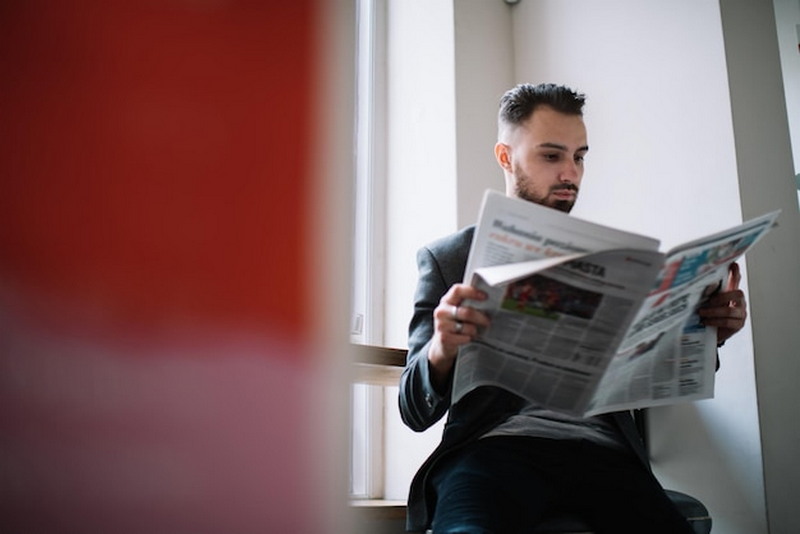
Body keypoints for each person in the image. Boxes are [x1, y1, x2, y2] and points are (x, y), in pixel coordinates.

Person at [398, 83, 748, 534]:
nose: (571, 173)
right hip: (493, 451)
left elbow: (650, 376)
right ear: (506, 158)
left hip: (606, 455)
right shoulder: (449, 259)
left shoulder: (616, 264)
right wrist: (441, 349)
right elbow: (413, 409)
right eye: (551, 156)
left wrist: (707, 335)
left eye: (579, 156)